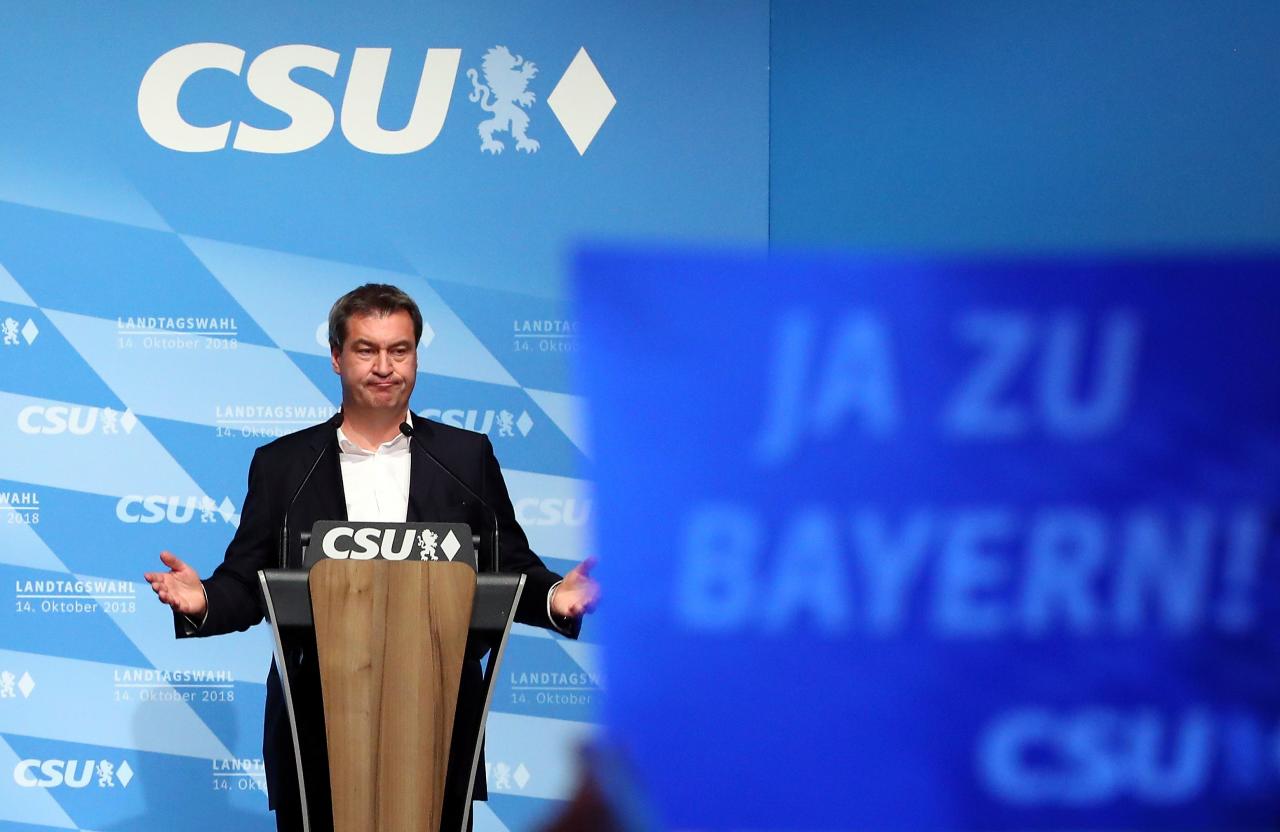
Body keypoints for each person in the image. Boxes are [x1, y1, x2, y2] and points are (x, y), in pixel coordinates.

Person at [144, 283, 598, 831]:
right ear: (336, 357)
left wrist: (555, 597)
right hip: (316, 723)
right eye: (366, 350)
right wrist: (204, 601)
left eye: (399, 350)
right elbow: (250, 581)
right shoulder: (283, 464)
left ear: (415, 356)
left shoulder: (465, 456)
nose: (385, 366)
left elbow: (509, 570)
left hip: (437, 715)